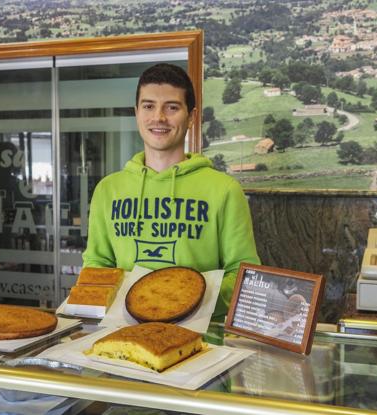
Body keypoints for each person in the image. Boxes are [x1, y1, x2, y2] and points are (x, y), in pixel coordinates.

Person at [82, 63, 260, 316]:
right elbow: (97, 266)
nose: (159, 118)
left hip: (202, 345)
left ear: (191, 117)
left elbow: (244, 273)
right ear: (136, 113)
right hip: (122, 336)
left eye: (172, 107)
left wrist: (182, 302)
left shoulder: (225, 190)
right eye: (148, 106)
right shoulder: (108, 190)